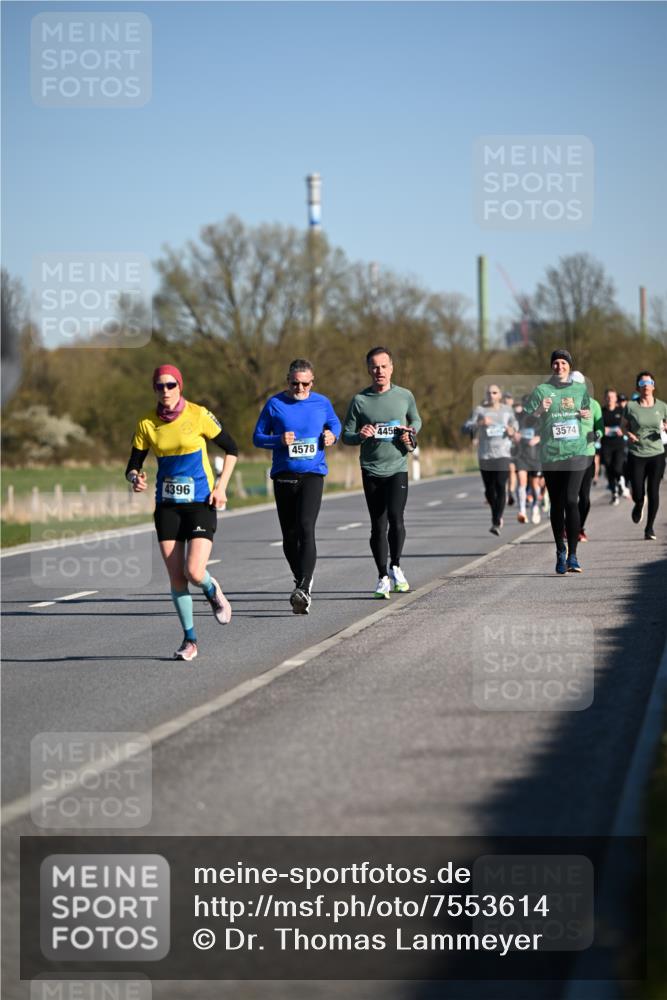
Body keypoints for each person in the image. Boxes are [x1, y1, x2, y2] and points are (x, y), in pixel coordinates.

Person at [125, 365, 238, 661]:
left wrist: (221, 487)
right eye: (160, 386)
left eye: (171, 385)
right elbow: (133, 463)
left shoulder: (199, 414)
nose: (166, 391)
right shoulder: (147, 424)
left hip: (201, 502)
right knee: (177, 578)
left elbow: (232, 448)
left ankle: (213, 590)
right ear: (154, 389)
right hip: (167, 506)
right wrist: (134, 478)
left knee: (194, 571)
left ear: (180, 386)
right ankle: (190, 640)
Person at [253, 359, 341, 614]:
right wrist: (278, 439)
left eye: (305, 384)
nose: (300, 388)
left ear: (312, 383)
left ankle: (303, 586)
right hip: (284, 475)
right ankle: (302, 577)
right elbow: (257, 437)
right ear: (287, 381)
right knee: (289, 536)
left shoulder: (321, 402)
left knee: (305, 526)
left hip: (312, 474)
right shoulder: (275, 404)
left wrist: (331, 435)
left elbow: (335, 424)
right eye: (295, 383)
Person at [342, 346, 421, 598]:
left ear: (391, 368)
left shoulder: (404, 395)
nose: (379, 371)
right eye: (374, 366)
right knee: (378, 525)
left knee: (396, 518)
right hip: (371, 468)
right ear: (368, 369)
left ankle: (396, 566)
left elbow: (416, 420)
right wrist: (360, 435)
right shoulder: (360, 400)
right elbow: (347, 436)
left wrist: (411, 431)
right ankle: (382, 577)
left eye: (384, 366)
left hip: (397, 466)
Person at [523, 350, 592, 574]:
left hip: (576, 451)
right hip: (551, 454)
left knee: (572, 500)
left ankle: (573, 555)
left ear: (569, 366)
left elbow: (587, 414)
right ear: (551, 366)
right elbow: (526, 419)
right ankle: (560, 550)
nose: (559, 366)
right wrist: (539, 410)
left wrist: (585, 416)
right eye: (555, 363)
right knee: (558, 503)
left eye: (563, 363)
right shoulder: (542, 391)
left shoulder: (580, 389)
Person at [463, 384, 517, 535]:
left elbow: (515, 425)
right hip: (485, 455)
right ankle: (496, 514)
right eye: (489, 393)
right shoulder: (479, 410)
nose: (491, 395)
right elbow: (466, 427)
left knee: (500, 485)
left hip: (502, 454)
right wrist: (479, 423)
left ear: (499, 395)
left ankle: (496, 521)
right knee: (489, 490)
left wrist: (512, 430)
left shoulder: (507, 410)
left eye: (494, 393)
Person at [622, 371, 667, 541]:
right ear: (637, 387)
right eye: (642, 383)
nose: (646, 386)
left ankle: (649, 528)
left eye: (649, 383)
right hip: (637, 453)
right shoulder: (631, 406)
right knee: (638, 490)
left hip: (657, 453)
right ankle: (639, 503)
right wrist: (629, 434)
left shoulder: (662, 406)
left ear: (653, 386)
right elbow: (623, 426)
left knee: (653, 489)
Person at [574, 378, 603, 542]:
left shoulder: (594, 404)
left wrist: (596, 434)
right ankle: (568, 525)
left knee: (584, 498)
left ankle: (579, 528)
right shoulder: (564, 404)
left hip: (587, 454)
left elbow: (600, 428)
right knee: (569, 497)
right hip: (568, 456)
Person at [512, 395, 542, 524]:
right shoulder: (518, 417)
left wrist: (539, 439)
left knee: (535, 484)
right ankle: (522, 511)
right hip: (521, 455)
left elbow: (548, 432)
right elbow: (510, 429)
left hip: (536, 456)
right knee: (522, 482)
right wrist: (514, 434)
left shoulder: (540, 418)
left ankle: (535, 507)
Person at [600, 388, 626, 505]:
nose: (610, 399)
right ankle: (614, 493)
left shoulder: (621, 411)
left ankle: (621, 481)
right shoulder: (601, 411)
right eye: (608, 397)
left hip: (619, 444)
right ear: (605, 398)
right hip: (606, 444)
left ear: (616, 399)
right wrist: (601, 429)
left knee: (617, 467)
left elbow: (628, 426)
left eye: (612, 397)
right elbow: (595, 426)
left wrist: (623, 431)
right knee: (609, 468)